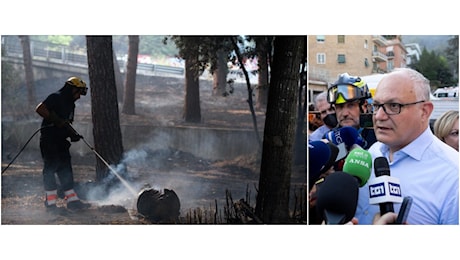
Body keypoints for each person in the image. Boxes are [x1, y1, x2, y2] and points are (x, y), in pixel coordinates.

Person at [354, 68, 459, 224]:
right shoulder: (373, 152)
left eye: (394, 106)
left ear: (424, 111)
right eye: (376, 106)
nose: (379, 116)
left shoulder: (453, 176)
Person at [35, 76, 91, 213]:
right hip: (49, 140)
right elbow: (40, 109)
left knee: (66, 169)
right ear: (72, 89)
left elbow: (65, 123)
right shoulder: (55, 97)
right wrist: (55, 120)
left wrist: (73, 134)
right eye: (79, 93)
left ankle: (72, 201)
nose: (79, 97)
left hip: (61, 142)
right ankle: (51, 203)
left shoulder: (71, 104)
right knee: (50, 169)